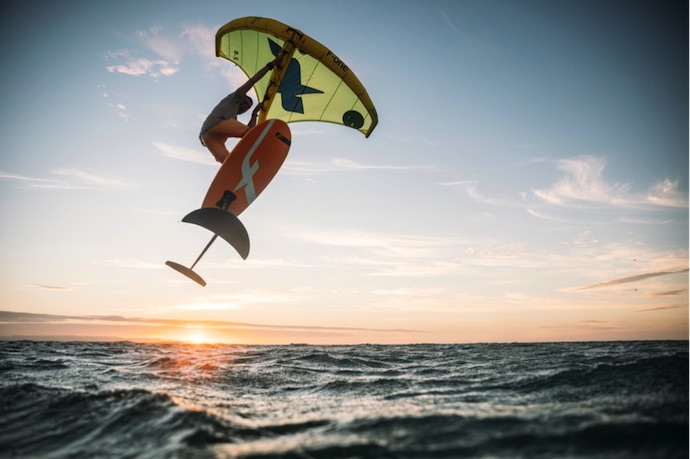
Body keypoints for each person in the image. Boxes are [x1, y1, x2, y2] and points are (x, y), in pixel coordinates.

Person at [200, 54, 283, 163]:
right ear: (241, 98)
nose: (244, 107)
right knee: (250, 134)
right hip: (216, 121)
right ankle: (268, 150)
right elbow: (253, 81)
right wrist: (271, 65)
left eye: (247, 108)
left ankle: (232, 173)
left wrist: (254, 113)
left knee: (225, 159)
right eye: (244, 103)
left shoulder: (232, 120)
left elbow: (249, 132)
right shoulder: (236, 97)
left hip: (206, 135)